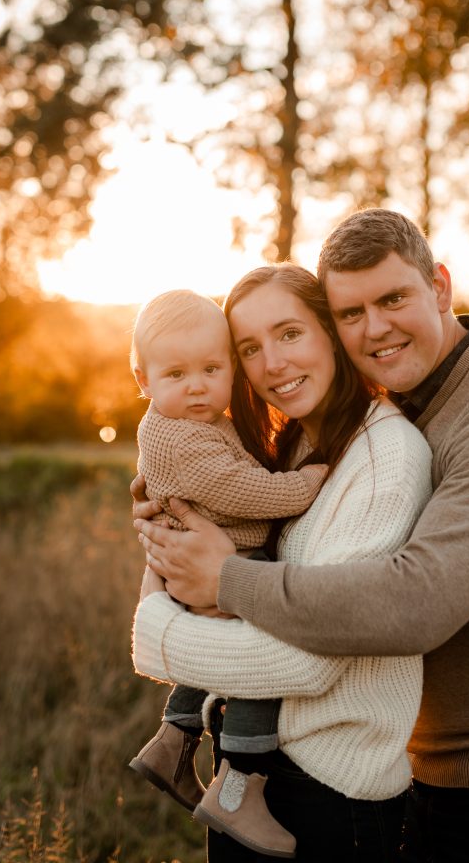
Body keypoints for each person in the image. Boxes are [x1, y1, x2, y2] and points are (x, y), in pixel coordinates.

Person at [134, 209, 469, 863]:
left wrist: (175, 613)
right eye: (351, 312)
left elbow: (410, 605)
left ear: (440, 288)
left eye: (392, 299)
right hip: (415, 755)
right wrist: (167, 528)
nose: (374, 329)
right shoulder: (333, 426)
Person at [132, 264, 433, 862]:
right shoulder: (293, 443)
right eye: (249, 348)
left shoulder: (385, 459)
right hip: (257, 767)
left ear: (331, 333)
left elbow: (308, 661)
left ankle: (177, 732)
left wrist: (154, 626)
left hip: (330, 791)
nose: (271, 363)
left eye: (290, 333)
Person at [128, 288, 329, 857]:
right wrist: (312, 481)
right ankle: (239, 787)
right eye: (176, 373)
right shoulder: (179, 438)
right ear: (141, 379)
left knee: (222, 655)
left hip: (212, 555)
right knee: (255, 668)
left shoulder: (198, 421)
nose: (197, 386)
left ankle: (172, 742)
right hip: (227, 562)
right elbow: (245, 490)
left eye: (211, 369)